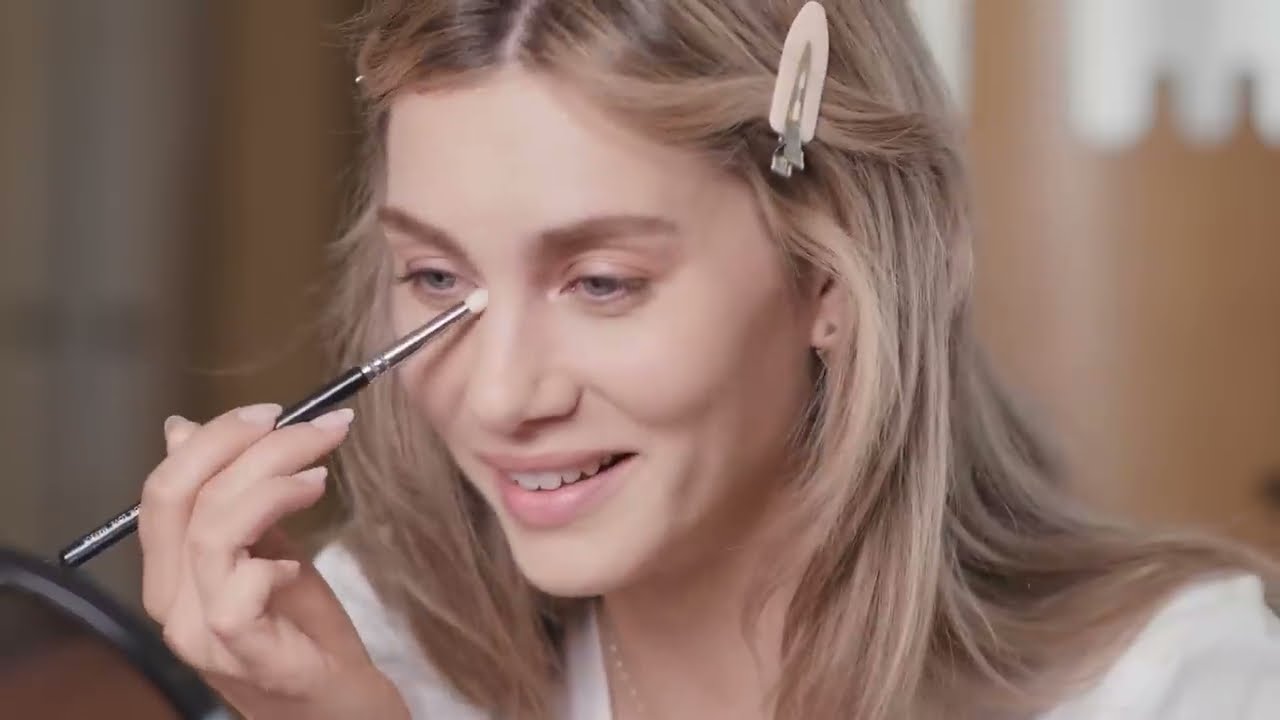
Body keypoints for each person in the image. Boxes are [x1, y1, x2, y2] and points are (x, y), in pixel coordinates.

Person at [136, 1, 1280, 718]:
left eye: (600, 283)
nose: (496, 395)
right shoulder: (361, 651)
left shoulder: (1173, 685)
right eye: (436, 279)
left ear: (829, 280)